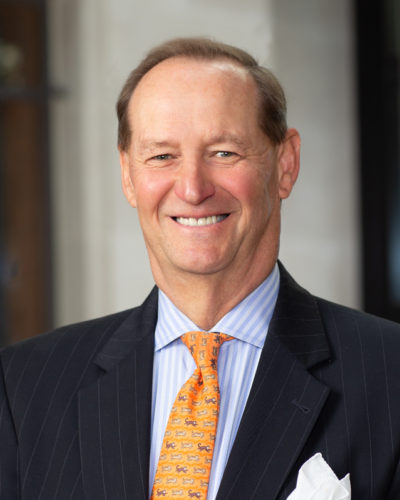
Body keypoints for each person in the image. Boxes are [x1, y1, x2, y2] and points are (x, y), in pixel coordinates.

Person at [0, 37, 399, 500]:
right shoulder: (24, 387)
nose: (192, 188)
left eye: (224, 152)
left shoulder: (388, 376)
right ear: (128, 174)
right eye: (162, 156)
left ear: (285, 164)